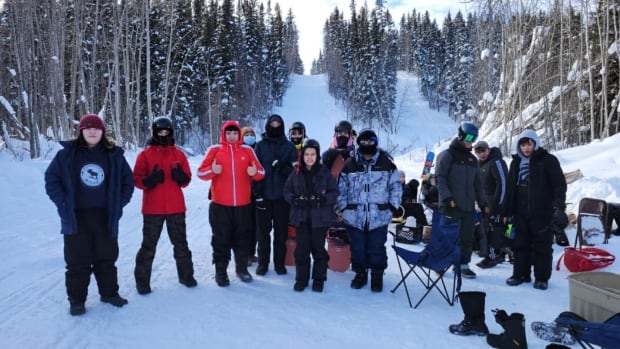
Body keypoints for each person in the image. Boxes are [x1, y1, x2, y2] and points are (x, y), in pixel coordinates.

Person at [44, 114, 134, 316]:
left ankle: (109, 294)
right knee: (77, 261)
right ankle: (77, 301)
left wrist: (118, 205)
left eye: (96, 128)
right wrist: (63, 203)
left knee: (107, 258)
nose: (92, 131)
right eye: (87, 128)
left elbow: (128, 182)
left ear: (102, 132)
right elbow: (51, 180)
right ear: (81, 131)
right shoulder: (66, 155)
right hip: (76, 217)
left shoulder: (114, 155)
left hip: (105, 216)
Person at [132, 117, 196, 295]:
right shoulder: (144, 155)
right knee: (148, 245)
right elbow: (136, 178)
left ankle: (186, 276)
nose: (163, 135)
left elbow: (187, 179)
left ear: (171, 133)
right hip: (153, 209)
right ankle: (142, 282)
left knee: (181, 243)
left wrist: (181, 177)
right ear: (154, 133)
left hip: (176, 207)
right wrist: (149, 181)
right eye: (160, 132)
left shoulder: (178, 155)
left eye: (166, 132)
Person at [197, 120, 265, 286]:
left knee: (242, 238)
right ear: (224, 134)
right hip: (220, 205)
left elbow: (261, 172)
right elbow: (200, 172)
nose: (232, 136)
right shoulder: (215, 150)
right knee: (221, 239)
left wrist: (254, 172)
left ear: (239, 135)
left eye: (235, 133)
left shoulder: (247, 150)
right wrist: (213, 171)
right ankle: (221, 272)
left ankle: (241, 269)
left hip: (243, 205)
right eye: (229, 133)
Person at [337, 129, 402, 292]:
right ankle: (360, 274)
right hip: (354, 215)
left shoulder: (386, 163)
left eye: (370, 141)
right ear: (359, 143)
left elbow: (395, 186)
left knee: (377, 247)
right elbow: (341, 188)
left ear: (375, 142)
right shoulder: (350, 164)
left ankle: (377, 275)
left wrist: (392, 207)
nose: (367, 144)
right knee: (357, 247)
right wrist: (343, 207)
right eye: (363, 142)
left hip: (379, 215)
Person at [501, 129, 567, 290]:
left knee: (542, 246)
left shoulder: (548, 160)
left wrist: (558, 206)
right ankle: (520, 275)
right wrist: (506, 212)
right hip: (520, 212)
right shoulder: (515, 162)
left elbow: (559, 185)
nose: (526, 148)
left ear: (535, 143)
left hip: (542, 212)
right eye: (523, 145)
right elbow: (510, 190)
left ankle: (541, 278)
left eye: (529, 144)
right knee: (519, 245)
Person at [283, 139, 338, 292]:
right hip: (301, 218)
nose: (309, 157)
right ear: (302, 155)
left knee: (318, 250)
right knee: (302, 250)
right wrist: (294, 199)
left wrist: (323, 199)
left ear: (317, 155)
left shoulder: (324, 172)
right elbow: (286, 191)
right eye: (306, 154)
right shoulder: (296, 172)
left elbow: (335, 192)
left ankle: (318, 279)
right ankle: (301, 279)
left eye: (312, 154)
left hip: (319, 220)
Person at [435, 122, 487, 279]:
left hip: (468, 206)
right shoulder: (446, 155)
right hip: (451, 205)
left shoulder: (473, 160)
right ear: (461, 136)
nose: (471, 141)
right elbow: (440, 179)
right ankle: (441, 262)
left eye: (474, 138)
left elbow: (478, 184)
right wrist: (447, 198)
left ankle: (462, 265)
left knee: (466, 237)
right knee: (448, 236)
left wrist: (483, 203)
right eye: (469, 137)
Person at [252, 114, 297, 275]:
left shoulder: (289, 147)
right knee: (263, 234)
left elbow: (295, 173)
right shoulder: (260, 146)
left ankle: (279, 264)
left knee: (281, 234)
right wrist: (257, 194)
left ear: (282, 126)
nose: (275, 126)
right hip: (264, 197)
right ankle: (263, 264)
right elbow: (254, 171)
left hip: (282, 199)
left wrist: (281, 167)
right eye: (273, 123)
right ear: (267, 125)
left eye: (278, 123)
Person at [473, 140, 509, 269]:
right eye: (478, 152)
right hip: (485, 206)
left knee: (496, 231)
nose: (481, 154)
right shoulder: (480, 165)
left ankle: (494, 256)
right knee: (487, 231)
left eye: (483, 151)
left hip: (497, 205)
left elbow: (503, 184)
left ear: (488, 149)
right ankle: (494, 255)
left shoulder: (496, 162)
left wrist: (498, 205)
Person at [241, 126, 259, 265]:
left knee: (255, 226)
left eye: (251, 134)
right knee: (244, 226)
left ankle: (251, 253)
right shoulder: (239, 150)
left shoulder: (259, 149)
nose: (249, 136)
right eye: (246, 134)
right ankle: (244, 255)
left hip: (256, 193)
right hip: (242, 194)